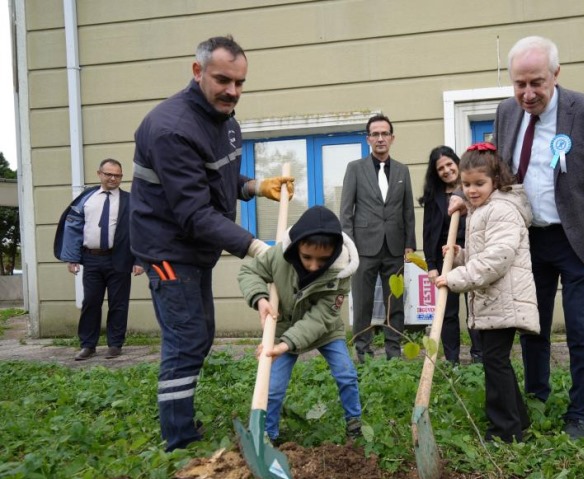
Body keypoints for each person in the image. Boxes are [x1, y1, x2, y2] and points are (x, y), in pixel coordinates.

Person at [130, 35, 294, 451]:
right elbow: (192, 211)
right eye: (224, 80)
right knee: (186, 338)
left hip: (195, 247)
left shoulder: (226, 121)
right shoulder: (171, 129)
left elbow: (217, 182)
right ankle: (178, 439)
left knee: (200, 335)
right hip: (169, 249)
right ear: (197, 71)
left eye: (240, 83)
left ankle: (182, 423)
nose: (233, 92)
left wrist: (257, 186)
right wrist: (257, 248)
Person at [492, 36, 584, 440]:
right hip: (529, 242)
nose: (527, 94)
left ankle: (581, 412)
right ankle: (536, 396)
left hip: (579, 242)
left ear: (556, 75)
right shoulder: (505, 113)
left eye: (536, 83)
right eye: (520, 85)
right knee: (533, 327)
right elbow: (497, 172)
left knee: (583, 331)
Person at [435, 143, 538, 442]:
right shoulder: (482, 210)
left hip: (504, 298)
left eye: (479, 184)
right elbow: (483, 253)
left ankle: (505, 432)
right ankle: (520, 420)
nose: (471, 190)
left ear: (497, 180)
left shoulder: (502, 210)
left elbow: (496, 260)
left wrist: (455, 278)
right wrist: (460, 255)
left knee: (494, 362)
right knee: (497, 361)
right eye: (466, 185)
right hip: (494, 299)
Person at [238, 205, 363, 444]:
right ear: (296, 247)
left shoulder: (341, 273)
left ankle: (354, 425)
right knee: (272, 388)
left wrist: (283, 346)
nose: (314, 266)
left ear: (335, 252)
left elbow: (319, 319)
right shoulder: (278, 256)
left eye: (322, 259)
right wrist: (260, 299)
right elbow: (248, 272)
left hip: (325, 330)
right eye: (307, 257)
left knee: (346, 374)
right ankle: (268, 436)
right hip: (284, 327)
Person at [339, 114, 416, 362]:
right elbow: (346, 211)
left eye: (385, 134)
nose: (380, 138)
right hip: (363, 248)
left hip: (394, 248)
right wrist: (349, 247)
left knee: (396, 302)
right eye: (375, 134)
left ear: (392, 138)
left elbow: (407, 211)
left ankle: (394, 351)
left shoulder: (403, 170)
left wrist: (409, 245)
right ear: (368, 139)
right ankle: (363, 352)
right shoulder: (355, 168)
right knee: (363, 302)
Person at [55, 158, 143, 360]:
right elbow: (74, 229)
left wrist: (139, 261)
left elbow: (139, 231)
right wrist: (72, 257)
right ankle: (88, 345)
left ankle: (115, 344)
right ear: (99, 174)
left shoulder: (130, 200)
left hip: (120, 259)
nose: (113, 178)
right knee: (91, 303)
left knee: (118, 304)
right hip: (92, 259)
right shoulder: (86, 199)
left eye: (117, 175)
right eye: (109, 174)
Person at [419, 146, 482, 365]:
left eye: (449, 164)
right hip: (445, 257)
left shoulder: (472, 188)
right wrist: (431, 265)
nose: (446, 170)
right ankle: (452, 359)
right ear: (436, 173)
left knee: (475, 308)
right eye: (440, 168)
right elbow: (428, 233)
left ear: (457, 163)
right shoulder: (433, 197)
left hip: (472, 254)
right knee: (448, 310)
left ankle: (479, 357)